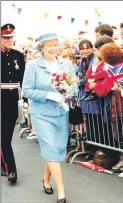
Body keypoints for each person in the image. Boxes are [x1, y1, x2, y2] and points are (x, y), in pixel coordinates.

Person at [22, 32, 77, 203]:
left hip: (61, 113)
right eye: (49, 45)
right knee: (51, 148)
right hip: (41, 114)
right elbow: (27, 91)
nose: (53, 48)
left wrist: (66, 92)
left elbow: (74, 88)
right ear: (42, 48)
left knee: (56, 150)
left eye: (55, 44)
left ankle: (46, 179)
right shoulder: (33, 65)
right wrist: (49, 95)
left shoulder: (67, 64)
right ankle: (61, 191)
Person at [1, 23, 25, 183]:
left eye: (11, 37)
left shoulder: (18, 54)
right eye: (5, 37)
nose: (9, 39)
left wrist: (25, 100)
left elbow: (23, 79)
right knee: (4, 139)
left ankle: (3, 163)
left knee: (5, 136)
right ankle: (11, 170)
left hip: (13, 100)